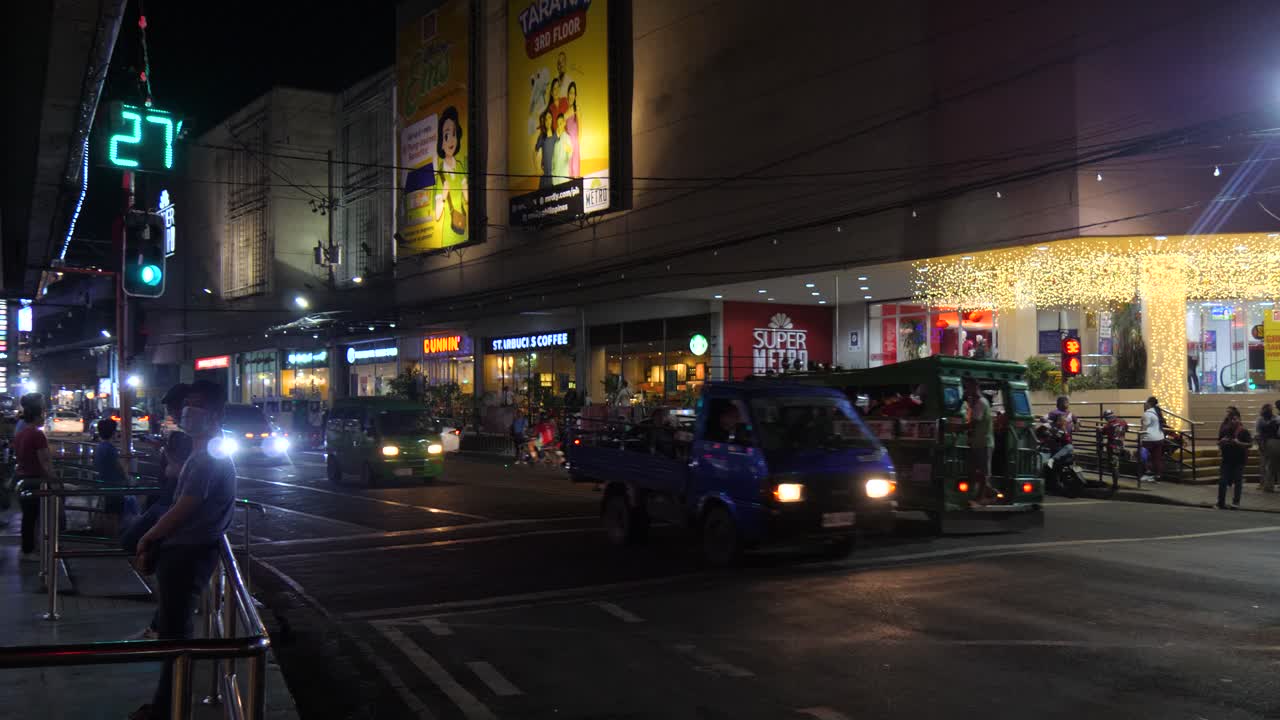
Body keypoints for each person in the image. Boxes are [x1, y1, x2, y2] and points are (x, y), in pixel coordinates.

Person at [130, 381, 236, 720]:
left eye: (197, 405)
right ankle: (167, 705)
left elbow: (186, 505)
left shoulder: (208, 456)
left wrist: (149, 537)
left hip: (186, 554)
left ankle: (168, 711)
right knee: (175, 635)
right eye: (186, 404)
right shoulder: (202, 450)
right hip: (187, 550)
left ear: (216, 413)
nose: (187, 411)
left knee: (175, 640)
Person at [13, 395, 56, 562]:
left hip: (23, 478)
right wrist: (55, 479)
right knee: (37, 516)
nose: (44, 419)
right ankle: (31, 550)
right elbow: (45, 461)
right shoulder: (37, 435)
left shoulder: (21, 433)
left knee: (28, 517)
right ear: (38, 416)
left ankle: (28, 549)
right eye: (43, 416)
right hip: (36, 480)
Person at [432, 106, 468, 246]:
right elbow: (437, 215)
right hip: (448, 234)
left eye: (454, 134)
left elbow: (467, 198)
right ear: (441, 143)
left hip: (463, 229)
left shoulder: (460, 166)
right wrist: (444, 194)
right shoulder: (440, 175)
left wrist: (465, 189)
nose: (451, 140)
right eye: (447, 136)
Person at [964, 379, 997, 505]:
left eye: (969, 388)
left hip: (984, 442)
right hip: (978, 442)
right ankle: (989, 491)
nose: (967, 391)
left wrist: (957, 428)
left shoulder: (981, 403)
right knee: (975, 471)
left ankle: (981, 497)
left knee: (983, 472)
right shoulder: (976, 403)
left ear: (975, 387)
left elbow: (974, 423)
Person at [1217, 406, 1251, 509]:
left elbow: (1250, 444)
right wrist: (1221, 442)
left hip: (1239, 460)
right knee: (1222, 481)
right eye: (1231, 419)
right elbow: (1219, 442)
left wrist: (1239, 443)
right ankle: (1220, 503)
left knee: (1238, 481)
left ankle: (1236, 502)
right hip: (1226, 459)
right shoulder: (1225, 430)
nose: (1233, 421)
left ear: (1239, 419)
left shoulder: (1244, 431)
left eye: (1235, 419)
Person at [1140, 396, 1165, 483]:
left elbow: (1144, 427)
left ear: (1149, 403)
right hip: (1160, 438)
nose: (1145, 404)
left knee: (1143, 455)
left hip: (1149, 439)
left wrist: (1140, 438)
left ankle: (1147, 473)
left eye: (1146, 402)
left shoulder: (1147, 413)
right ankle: (1158, 475)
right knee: (1157, 458)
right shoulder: (1157, 411)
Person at [1259, 404, 1280, 493]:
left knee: (1270, 465)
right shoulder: (1277, 419)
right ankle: (1268, 486)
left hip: (1268, 442)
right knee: (1272, 465)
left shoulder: (1268, 421)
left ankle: (1268, 486)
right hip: (1275, 442)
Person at [533, 110, 557, 189]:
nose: (548, 121)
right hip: (545, 173)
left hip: (555, 173)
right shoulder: (542, 137)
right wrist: (537, 169)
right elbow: (535, 152)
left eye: (549, 118)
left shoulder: (556, 135)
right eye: (546, 119)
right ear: (544, 121)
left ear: (552, 119)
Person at [551, 113, 574, 183]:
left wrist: (569, 151)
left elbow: (570, 155)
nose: (559, 124)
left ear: (564, 123)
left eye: (561, 122)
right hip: (554, 176)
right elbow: (553, 156)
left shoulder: (568, 137)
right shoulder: (554, 139)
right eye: (558, 123)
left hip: (563, 176)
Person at [564, 81, 580, 177]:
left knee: (575, 171)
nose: (571, 95)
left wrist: (577, 145)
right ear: (567, 94)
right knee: (568, 171)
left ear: (575, 95)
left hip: (575, 144)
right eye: (570, 92)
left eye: (573, 93)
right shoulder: (565, 111)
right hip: (567, 145)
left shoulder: (577, 109)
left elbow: (580, 129)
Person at [1258, 404, 1275, 488]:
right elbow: (1258, 433)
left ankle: (1267, 484)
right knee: (1265, 464)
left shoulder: (1276, 419)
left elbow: (1258, 434)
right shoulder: (1261, 420)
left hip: (1268, 443)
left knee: (1267, 464)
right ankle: (1265, 483)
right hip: (1267, 443)